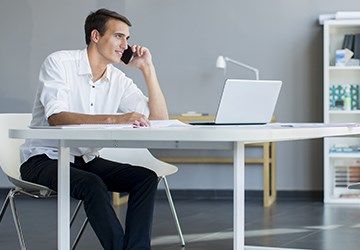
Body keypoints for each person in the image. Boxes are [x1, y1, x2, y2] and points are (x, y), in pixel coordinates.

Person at [19, 8, 168, 250]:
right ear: (96, 36)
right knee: (92, 184)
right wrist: (116, 119)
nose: (125, 44)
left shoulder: (118, 79)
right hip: (43, 159)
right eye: (119, 36)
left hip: (84, 159)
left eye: (127, 39)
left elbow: (159, 119)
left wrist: (147, 69)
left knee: (145, 178)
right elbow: (57, 117)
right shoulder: (59, 63)